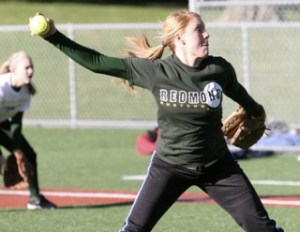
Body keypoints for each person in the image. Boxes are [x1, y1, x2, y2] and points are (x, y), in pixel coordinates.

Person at [29, 10, 284, 231]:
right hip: (169, 166)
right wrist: (53, 35)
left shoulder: (219, 69)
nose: (207, 35)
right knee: (135, 229)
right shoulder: (157, 72)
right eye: (199, 30)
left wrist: (256, 113)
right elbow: (96, 63)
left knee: (260, 226)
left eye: (205, 30)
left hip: (218, 167)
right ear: (179, 38)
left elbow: (244, 99)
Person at [0, 51, 57, 210]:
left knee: (29, 156)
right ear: (14, 70)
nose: (30, 71)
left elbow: (16, 122)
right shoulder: (1, 87)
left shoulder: (26, 90)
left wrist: (17, 149)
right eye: (26, 68)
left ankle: (35, 199)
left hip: (2, 123)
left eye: (31, 67)